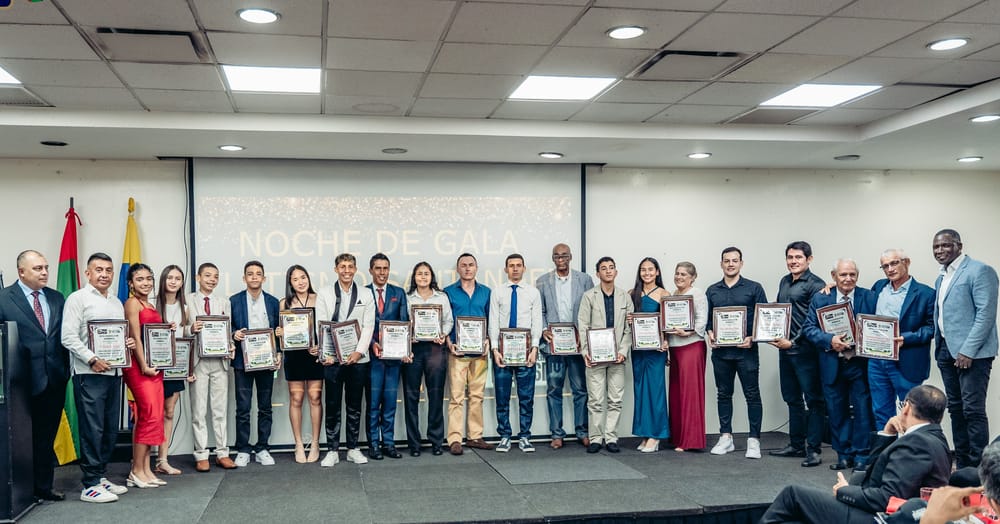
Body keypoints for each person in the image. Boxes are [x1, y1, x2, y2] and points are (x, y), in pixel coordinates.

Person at [759, 384, 952, 524]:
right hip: (884, 509)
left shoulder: (917, 443)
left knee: (792, 495)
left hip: (878, 517)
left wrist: (845, 491)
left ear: (907, 407)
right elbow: (876, 473)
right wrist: (886, 434)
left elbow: (887, 498)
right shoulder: (936, 439)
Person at [62, 252, 135, 503]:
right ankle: (90, 484)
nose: (104, 274)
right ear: (88, 273)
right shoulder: (77, 299)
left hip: (114, 373)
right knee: (92, 429)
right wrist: (92, 358)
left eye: (108, 270)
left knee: (109, 429)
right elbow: (68, 337)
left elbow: (116, 335)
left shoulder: (115, 302)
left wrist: (127, 343)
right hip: (89, 374)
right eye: (99, 270)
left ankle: (101, 475)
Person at [0, 250, 70, 501]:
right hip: (18, 382)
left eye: (46, 267)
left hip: (54, 378)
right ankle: (21, 491)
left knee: (45, 437)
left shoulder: (57, 297)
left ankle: (43, 487)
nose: (44, 272)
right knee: (19, 438)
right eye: (38, 268)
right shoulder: (4, 299)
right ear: (21, 272)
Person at [932, 229, 999, 468]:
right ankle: (962, 464)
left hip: (972, 355)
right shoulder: (942, 277)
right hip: (946, 351)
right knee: (956, 409)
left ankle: (980, 468)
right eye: (936, 247)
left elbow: (986, 315)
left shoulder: (980, 271)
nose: (940, 250)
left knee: (973, 410)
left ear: (959, 246)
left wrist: (968, 350)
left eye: (945, 245)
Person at [803, 259, 876, 471]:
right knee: (836, 411)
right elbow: (809, 328)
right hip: (832, 363)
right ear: (834, 276)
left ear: (857, 276)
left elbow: (877, 325)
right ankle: (843, 455)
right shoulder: (821, 298)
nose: (848, 279)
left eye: (852, 274)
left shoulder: (870, 297)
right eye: (843, 274)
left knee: (863, 411)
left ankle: (862, 455)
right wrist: (829, 340)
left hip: (860, 364)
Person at [705, 247, 768, 459]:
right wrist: (710, 333)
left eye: (734, 260)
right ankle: (726, 437)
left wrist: (753, 337)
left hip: (746, 352)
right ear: (721, 264)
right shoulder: (712, 290)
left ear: (741, 263)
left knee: (752, 395)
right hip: (721, 354)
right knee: (723, 394)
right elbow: (707, 321)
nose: (730, 264)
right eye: (727, 261)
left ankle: (754, 440)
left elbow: (764, 318)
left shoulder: (754, 288)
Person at [770, 241, 827, 467]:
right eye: (790, 257)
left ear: (809, 259)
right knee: (792, 398)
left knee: (813, 400)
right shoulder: (784, 281)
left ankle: (814, 450)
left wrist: (793, 341)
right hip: (785, 351)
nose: (793, 261)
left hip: (806, 351)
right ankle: (796, 445)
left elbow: (813, 321)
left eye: (798, 257)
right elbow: (781, 311)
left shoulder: (817, 285)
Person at [315, 253, 375, 467]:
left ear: (355, 269)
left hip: (358, 359)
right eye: (342, 266)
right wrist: (327, 353)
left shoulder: (366, 294)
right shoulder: (324, 293)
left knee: (354, 405)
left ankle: (352, 448)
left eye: (350, 266)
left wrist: (359, 352)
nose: (346, 270)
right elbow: (322, 324)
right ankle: (332, 450)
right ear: (336, 269)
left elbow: (368, 325)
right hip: (332, 359)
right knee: (332, 405)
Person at [535, 243, 594, 449]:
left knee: (580, 390)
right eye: (557, 256)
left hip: (578, 345)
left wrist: (585, 334)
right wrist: (544, 329)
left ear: (571, 257)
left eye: (564, 256)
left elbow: (591, 308)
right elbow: (540, 311)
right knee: (554, 389)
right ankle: (556, 434)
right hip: (554, 345)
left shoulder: (584, 280)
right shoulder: (542, 281)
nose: (561, 259)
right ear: (553, 258)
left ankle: (582, 431)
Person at [870, 249, 935, 429]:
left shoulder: (926, 293)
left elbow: (931, 328)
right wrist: (834, 286)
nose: (890, 269)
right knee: (880, 412)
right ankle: (886, 446)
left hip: (907, 360)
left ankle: (909, 447)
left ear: (906, 262)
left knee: (912, 414)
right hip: (877, 360)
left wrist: (905, 339)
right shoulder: (879, 287)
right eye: (885, 266)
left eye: (894, 263)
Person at [578, 256, 634, 454]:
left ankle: (611, 438)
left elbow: (629, 328)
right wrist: (586, 352)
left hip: (617, 357)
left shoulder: (625, 297)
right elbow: (583, 325)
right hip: (595, 357)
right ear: (597, 273)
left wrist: (623, 351)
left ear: (616, 272)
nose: (608, 271)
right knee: (595, 400)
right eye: (604, 268)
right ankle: (595, 438)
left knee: (615, 400)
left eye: (611, 267)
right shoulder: (589, 296)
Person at [489, 253, 543, 453]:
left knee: (526, 398)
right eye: (511, 265)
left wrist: (535, 348)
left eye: (518, 265)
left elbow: (537, 322)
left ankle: (525, 436)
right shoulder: (497, 292)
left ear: (524, 268)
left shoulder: (533, 293)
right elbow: (493, 321)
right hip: (502, 353)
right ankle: (504, 436)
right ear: (506, 269)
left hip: (526, 352)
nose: (515, 269)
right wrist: (494, 349)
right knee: (502, 397)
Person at [230, 260, 281, 467]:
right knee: (243, 408)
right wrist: (234, 333)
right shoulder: (233, 301)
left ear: (264, 278)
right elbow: (228, 326)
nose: (254, 277)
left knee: (265, 407)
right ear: (244, 278)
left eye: (258, 273)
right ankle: (243, 449)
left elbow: (278, 330)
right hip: (242, 361)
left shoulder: (273, 302)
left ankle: (262, 448)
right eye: (250, 274)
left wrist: (279, 353)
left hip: (266, 360)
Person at [187, 262, 236, 471]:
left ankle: (222, 453)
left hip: (220, 361)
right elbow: (179, 328)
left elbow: (227, 329)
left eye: (215, 276)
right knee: (199, 411)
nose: (212, 280)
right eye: (207, 275)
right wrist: (190, 328)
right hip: (198, 361)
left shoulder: (224, 302)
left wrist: (230, 345)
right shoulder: (187, 300)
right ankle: (201, 454)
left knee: (220, 410)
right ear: (198, 278)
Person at [121, 263, 167, 489]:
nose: (146, 283)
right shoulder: (132, 303)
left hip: (154, 366)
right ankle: (136, 470)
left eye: (149, 278)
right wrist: (144, 365)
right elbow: (136, 337)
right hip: (140, 367)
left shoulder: (150, 304)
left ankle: (146, 469)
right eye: (140, 279)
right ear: (131, 283)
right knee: (148, 414)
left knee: (154, 416)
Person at [443, 253, 493, 455]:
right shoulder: (448, 292)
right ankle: (455, 439)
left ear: (476, 268)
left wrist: (489, 340)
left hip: (480, 353)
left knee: (477, 396)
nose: (467, 268)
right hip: (457, 352)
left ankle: (475, 436)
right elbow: (444, 320)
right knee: (456, 397)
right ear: (458, 269)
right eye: (463, 265)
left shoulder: (486, 292)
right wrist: (449, 342)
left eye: (471, 265)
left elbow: (491, 319)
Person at [403, 262, 454, 456]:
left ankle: (436, 441)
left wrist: (443, 334)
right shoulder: (407, 298)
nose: (423, 277)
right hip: (413, 350)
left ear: (431, 276)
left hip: (435, 348)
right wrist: (408, 336)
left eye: (426, 273)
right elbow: (402, 322)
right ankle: (414, 444)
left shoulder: (441, 297)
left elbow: (448, 320)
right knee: (411, 397)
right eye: (419, 274)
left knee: (436, 396)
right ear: (414, 277)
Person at [277, 265, 324, 463]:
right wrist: (279, 333)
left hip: (314, 355)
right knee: (296, 398)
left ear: (308, 278)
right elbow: (281, 331)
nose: (300, 282)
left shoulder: (319, 299)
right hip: (294, 356)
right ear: (290, 282)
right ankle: (298, 444)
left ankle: (315, 443)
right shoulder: (284, 303)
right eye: (295, 279)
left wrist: (320, 346)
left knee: (315, 397)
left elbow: (325, 327)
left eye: (303, 277)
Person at [366, 253, 408, 460]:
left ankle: (389, 443)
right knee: (373, 404)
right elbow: (360, 325)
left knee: (390, 403)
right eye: (378, 268)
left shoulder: (398, 293)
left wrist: (405, 350)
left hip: (393, 358)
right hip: (371, 357)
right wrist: (371, 344)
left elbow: (404, 322)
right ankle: (373, 444)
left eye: (385, 268)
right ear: (371, 270)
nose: (382, 272)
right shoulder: (363, 293)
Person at [626, 257, 670, 453]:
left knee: (655, 391)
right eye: (643, 270)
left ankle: (656, 435)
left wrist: (666, 342)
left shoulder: (664, 294)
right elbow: (626, 321)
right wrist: (628, 319)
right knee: (640, 391)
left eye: (651, 269)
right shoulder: (631, 293)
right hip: (638, 350)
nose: (647, 273)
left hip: (656, 350)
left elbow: (668, 322)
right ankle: (645, 433)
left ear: (657, 272)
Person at [666, 261, 709, 452]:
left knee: (690, 394)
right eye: (677, 273)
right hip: (675, 348)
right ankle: (678, 437)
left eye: (683, 274)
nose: (679, 277)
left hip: (691, 346)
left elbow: (702, 320)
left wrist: (688, 332)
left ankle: (691, 440)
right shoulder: (672, 295)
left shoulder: (697, 294)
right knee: (677, 394)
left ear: (693, 277)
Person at [155, 264, 192, 476]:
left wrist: (188, 368)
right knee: (152, 413)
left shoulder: (184, 308)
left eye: (177, 278)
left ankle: (163, 459)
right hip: (154, 366)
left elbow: (185, 339)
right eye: (170, 277)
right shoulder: (152, 305)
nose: (173, 281)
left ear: (182, 282)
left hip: (175, 368)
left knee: (169, 411)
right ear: (163, 279)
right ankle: (141, 459)